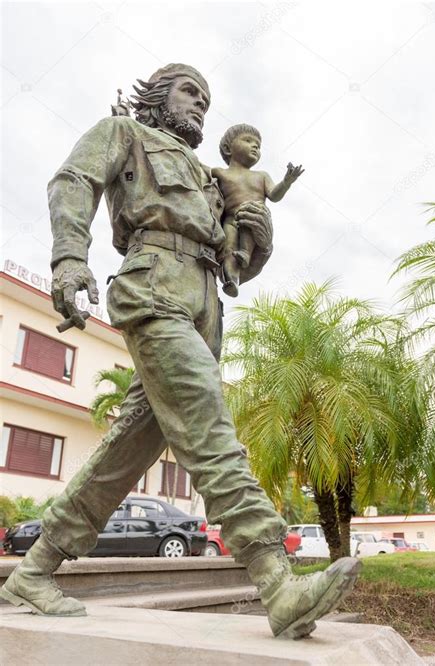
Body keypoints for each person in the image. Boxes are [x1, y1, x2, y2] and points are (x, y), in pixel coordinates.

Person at [0, 63, 360, 639]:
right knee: (205, 418)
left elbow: (233, 254)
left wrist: (254, 241)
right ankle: (277, 579)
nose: (199, 104)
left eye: (207, 98)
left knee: (130, 447)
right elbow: (72, 181)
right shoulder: (125, 134)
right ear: (158, 95)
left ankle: (34, 570)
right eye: (190, 91)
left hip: (206, 297)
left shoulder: (208, 174)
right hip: (153, 282)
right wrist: (69, 259)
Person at [213, 124, 304, 297]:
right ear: (227, 148)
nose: (255, 146)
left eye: (258, 145)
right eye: (248, 141)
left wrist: (286, 182)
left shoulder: (261, 176)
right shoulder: (220, 173)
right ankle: (231, 280)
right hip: (231, 220)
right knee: (229, 248)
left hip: (254, 218)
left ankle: (246, 253)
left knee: (249, 219)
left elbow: (274, 196)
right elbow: (198, 168)